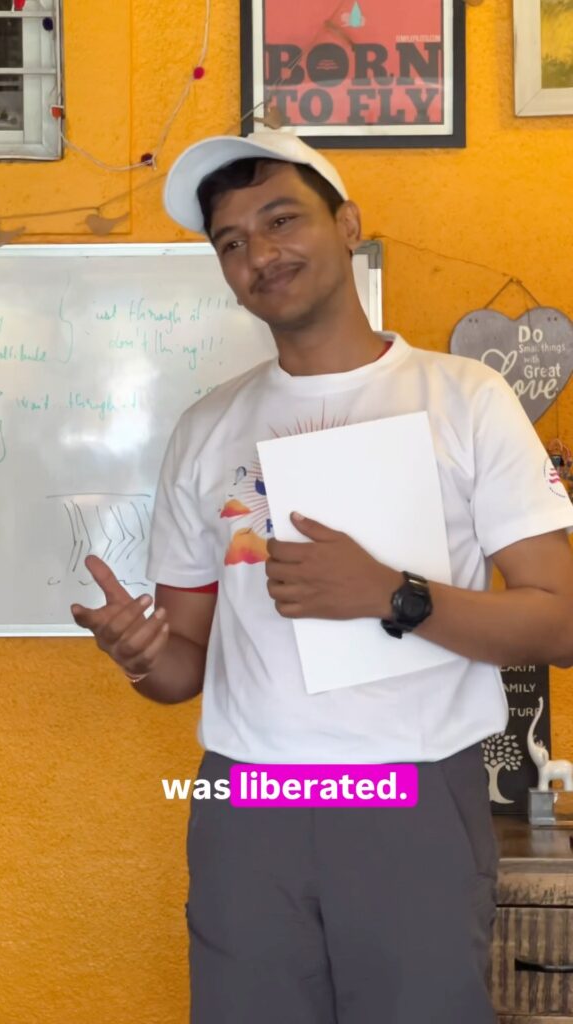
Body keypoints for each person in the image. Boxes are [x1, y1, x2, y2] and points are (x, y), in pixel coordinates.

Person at [71, 131, 573, 1024]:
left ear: (347, 224)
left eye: (282, 220)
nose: (260, 253)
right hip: (246, 796)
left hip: (410, 790)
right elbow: (182, 669)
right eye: (232, 241)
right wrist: (141, 654)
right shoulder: (207, 426)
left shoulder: (464, 399)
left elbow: (560, 622)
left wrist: (393, 597)